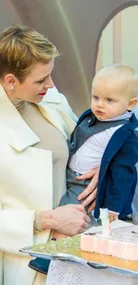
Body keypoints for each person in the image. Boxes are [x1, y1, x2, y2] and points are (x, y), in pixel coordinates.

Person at [0, 25, 99, 285]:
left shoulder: (53, 102)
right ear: (11, 81)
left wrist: (98, 167)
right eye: (41, 80)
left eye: (50, 76)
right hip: (13, 265)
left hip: (71, 250)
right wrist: (46, 220)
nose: (50, 85)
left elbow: (80, 149)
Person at [30, 63, 138, 273]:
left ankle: (52, 257)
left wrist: (115, 206)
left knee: (71, 211)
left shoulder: (126, 135)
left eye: (109, 100)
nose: (100, 105)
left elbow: (123, 174)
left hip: (86, 184)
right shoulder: (92, 117)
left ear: (131, 104)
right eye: (96, 97)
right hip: (70, 175)